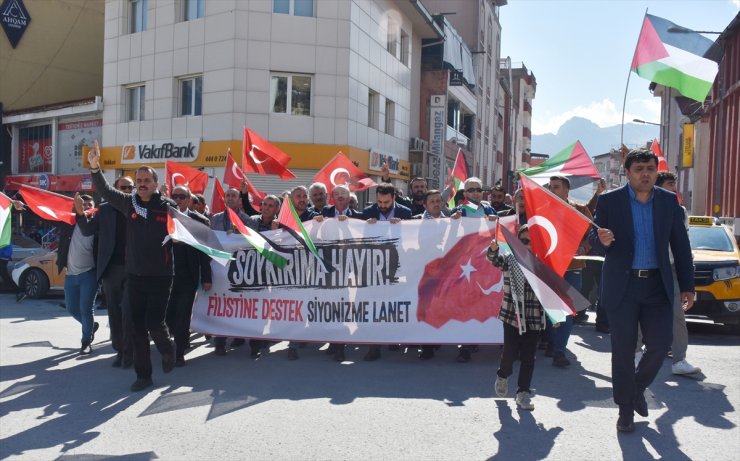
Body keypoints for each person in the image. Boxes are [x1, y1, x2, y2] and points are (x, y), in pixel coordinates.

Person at [589, 148, 694, 433]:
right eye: (639, 169)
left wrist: (687, 286)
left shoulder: (668, 201)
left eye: (650, 168)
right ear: (628, 173)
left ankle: (634, 389)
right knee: (623, 351)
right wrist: (602, 240)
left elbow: (681, 247)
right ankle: (625, 410)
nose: (646, 174)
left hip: (657, 286)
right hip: (623, 286)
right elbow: (594, 241)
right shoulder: (610, 201)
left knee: (660, 345)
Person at [88, 143, 177, 393]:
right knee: (136, 327)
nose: (141, 183)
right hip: (134, 276)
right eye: (139, 180)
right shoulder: (130, 204)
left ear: (156, 183)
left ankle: (167, 349)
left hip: (161, 276)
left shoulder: (168, 207)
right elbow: (104, 191)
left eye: (147, 180)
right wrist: (95, 167)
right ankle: (144, 375)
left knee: (154, 323)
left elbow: (184, 232)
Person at [635, 171, 700, 376]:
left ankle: (679, 359)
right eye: (669, 184)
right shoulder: (638, 206)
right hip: (641, 268)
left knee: (676, 314)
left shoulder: (678, 210)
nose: (673, 188)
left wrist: (688, 284)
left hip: (669, 268)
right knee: (636, 313)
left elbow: (682, 247)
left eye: (674, 184)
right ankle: (636, 353)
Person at [76, 175, 135, 368]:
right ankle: (119, 350)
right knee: (115, 313)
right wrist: (79, 212)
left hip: (135, 270)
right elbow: (86, 230)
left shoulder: (139, 207)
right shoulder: (105, 210)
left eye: (130, 187)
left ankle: (129, 352)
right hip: (112, 270)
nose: (127, 190)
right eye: (123, 187)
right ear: (115, 189)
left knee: (128, 311)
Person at [489, 225, 544, 410]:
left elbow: (553, 292)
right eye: (523, 241)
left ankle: (523, 393)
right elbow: (493, 259)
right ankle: (503, 376)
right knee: (510, 353)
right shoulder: (509, 259)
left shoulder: (542, 263)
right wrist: (494, 250)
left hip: (534, 315)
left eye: (531, 241)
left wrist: (556, 316)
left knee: (529, 357)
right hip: (512, 314)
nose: (527, 245)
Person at [360, 183, 412, 361]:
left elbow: (414, 236)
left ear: (394, 198)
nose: (382, 206)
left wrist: (404, 226)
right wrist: (366, 227)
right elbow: (359, 237)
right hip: (374, 266)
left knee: (394, 305)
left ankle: (394, 338)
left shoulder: (406, 213)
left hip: (398, 265)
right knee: (374, 305)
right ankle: (373, 346)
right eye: (379, 202)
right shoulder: (367, 213)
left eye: (386, 202)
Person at [546, 175, 593, 366]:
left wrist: (584, 247)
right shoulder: (542, 210)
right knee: (552, 310)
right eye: (550, 187)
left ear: (567, 190)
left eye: (556, 187)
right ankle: (551, 341)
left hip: (573, 267)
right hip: (550, 267)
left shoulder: (580, 210)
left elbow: (594, 234)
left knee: (567, 310)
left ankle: (559, 350)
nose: (551, 190)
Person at [452, 177, 498, 363]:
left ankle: (480, 339)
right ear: (464, 193)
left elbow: (500, 234)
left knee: (484, 303)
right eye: (471, 190)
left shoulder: (490, 210)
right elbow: (447, 236)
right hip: (465, 267)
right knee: (466, 306)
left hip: (486, 265)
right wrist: (452, 221)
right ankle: (465, 346)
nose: (475, 193)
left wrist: (497, 222)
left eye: (478, 189)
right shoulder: (458, 211)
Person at [165, 185, 212, 367]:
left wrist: (207, 277)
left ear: (189, 199)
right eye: (174, 196)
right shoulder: (164, 217)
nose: (178, 199)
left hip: (188, 275)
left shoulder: (200, 221)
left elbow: (204, 252)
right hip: (165, 275)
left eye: (182, 196)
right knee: (167, 314)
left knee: (183, 314)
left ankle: (179, 351)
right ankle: (171, 340)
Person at [210, 187, 260, 357]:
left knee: (246, 307)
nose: (230, 198)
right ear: (224, 199)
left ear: (240, 200)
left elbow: (254, 244)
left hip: (242, 271)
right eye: (228, 195)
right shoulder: (215, 219)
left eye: (234, 196)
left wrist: (240, 236)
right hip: (220, 270)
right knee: (220, 306)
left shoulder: (248, 221)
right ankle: (219, 343)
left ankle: (253, 345)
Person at [57, 193, 98, 355]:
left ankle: (85, 342)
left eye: (90, 204)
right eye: (83, 204)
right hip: (71, 275)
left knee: (86, 309)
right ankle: (90, 326)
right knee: (72, 309)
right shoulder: (68, 223)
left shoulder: (97, 225)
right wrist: (19, 206)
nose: (86, 206)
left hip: (89, 274)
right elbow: (48, 214)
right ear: (76, 206)